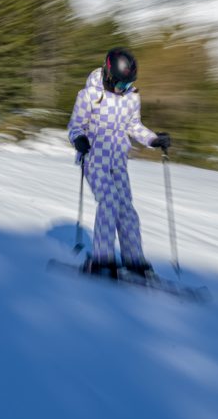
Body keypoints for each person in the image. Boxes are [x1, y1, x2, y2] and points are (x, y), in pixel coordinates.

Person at [68, 47, 171, 279]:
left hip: (118, 161)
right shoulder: (88, 96)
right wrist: (79, 139)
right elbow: (75, 126)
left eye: (128, 85)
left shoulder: (131, 98)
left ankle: (133, 259)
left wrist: (154, 140)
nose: (124, 89)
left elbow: (134, 126)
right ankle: (102, 258)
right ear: (108, 74)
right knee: (109, 202)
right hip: (94, 159)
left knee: (127, 209)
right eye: (121, 84)